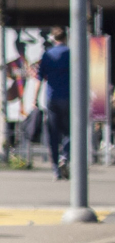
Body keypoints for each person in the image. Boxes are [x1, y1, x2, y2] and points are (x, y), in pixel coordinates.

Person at [40, 28, 74, 180]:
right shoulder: (71, 53)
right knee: (70, 131)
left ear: (53, 38)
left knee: (53, 134)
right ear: (66, 38)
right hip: (69, 98)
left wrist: (34, 99)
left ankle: (55, 168)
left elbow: (39, 77)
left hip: (52, 98)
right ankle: (65, 157)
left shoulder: (48, 55)